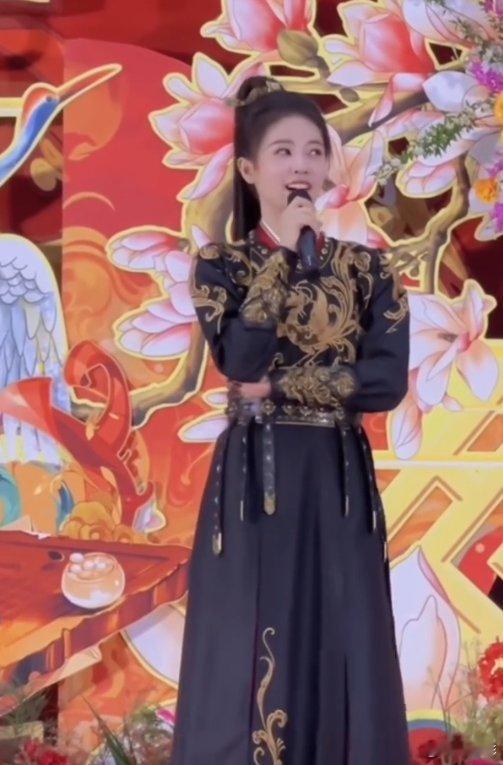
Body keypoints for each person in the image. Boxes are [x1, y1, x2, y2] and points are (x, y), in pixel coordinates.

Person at [171, 75, 411, 765]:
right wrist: (282, 258)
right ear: (249, 170)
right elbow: (237, 356)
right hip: (257, 477)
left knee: (343, 627)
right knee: (250, 628)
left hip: (337, 478)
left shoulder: (368, 271)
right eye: (282, 151)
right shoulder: (220, 266)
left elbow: (385, 382)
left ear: (329, 166)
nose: (301, 164)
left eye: (313, 150)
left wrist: (278, 384)